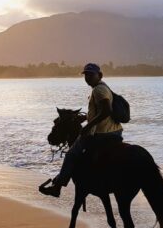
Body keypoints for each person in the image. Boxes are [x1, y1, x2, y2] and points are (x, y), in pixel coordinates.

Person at [39, 62, 123, 197]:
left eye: (91, 75)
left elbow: (106, 111)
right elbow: (101, 112)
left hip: (103, 133)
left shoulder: (98, 90)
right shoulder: (104, 87)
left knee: (71, 154)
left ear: (99, 75)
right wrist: (87, 119)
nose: (88, 78)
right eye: (86, 75)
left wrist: (89, 126)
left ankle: (58, 186)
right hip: (115, 131)